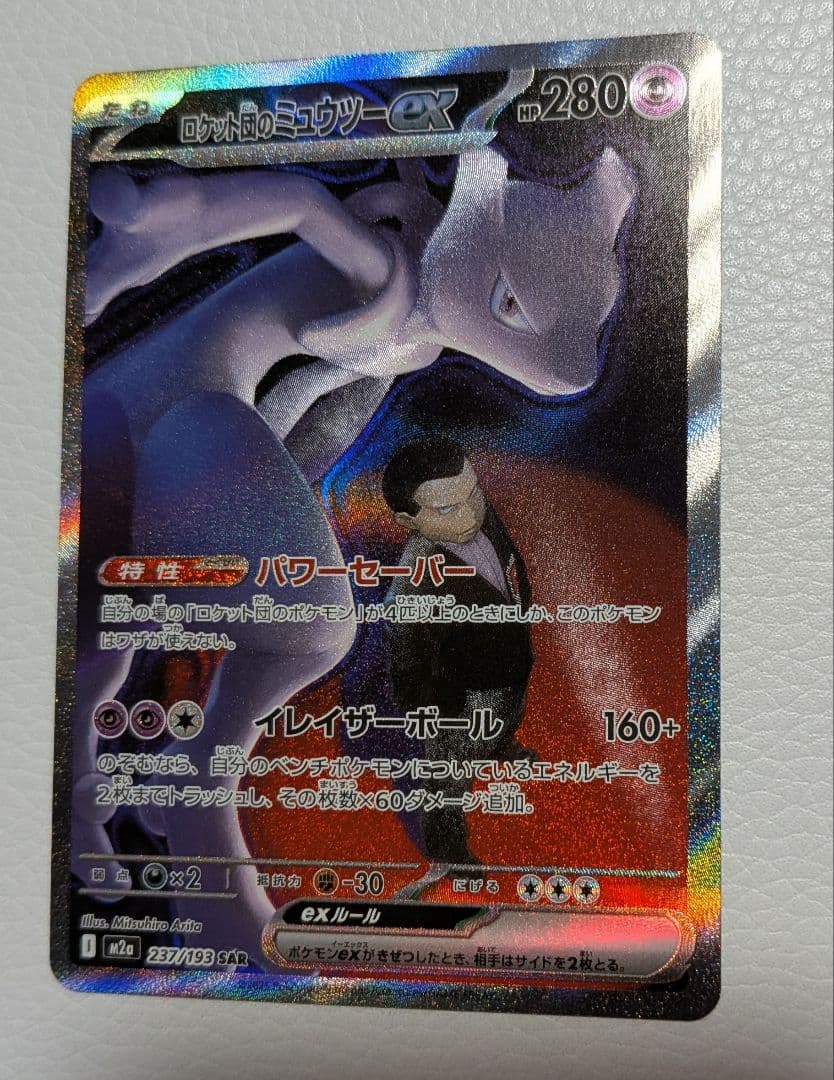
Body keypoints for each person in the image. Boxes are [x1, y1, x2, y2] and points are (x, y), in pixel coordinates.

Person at [381, 437, 536, 866]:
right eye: (447, 509)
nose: (469, 515)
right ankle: (445, 843)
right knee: (450, 772)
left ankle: (500, 743)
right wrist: (434, 709)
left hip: (510, 661)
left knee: (510, 712)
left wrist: (521, 606)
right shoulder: (412, 585)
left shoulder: (480, 515)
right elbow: (407, 658)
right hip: (464, 696)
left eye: (474, 494)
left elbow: (509, 562)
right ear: (406, 520)